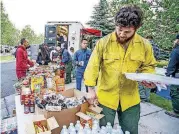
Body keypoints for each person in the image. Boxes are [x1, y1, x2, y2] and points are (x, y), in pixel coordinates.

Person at [84, 5, 156, 134]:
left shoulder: (145, 45)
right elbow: (92, 67)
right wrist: (90, 90)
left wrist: (147, 77)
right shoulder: (103, 43)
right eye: (119, 29)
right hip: (104, 98)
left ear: (137, 28)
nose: (122, 34)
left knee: (131, 131)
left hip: (130, 99)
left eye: (127, 32)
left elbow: (149, 66)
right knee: (102, 130)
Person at [139, 35, 160, 101]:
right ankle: (147, 98)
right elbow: (158, 56)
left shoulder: (145, 44)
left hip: (144, 66)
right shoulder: (156, 46)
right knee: (148, 83)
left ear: (146, 38)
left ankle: (142, 97)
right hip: (152, 67)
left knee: (141, 83)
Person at [165, 34, 179, 118]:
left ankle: (176, 111)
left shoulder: (176, 50)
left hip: (177, 77)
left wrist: (167, 74)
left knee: (175, 93)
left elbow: (172, 64)